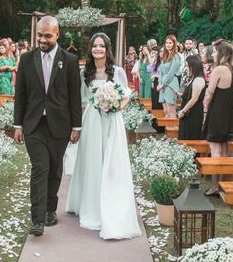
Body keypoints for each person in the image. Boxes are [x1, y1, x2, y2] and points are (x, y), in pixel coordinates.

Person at [66, 33, 141, 240]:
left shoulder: (117, 72)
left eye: (101, 46)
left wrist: (115, 106)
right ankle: (90, 206)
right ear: (90, 49)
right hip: (92, 121)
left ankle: (113, 203)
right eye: (94, 46)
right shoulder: (85, 72)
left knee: (111, 162)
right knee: (92, 162)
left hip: (112, 121)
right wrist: (77, 128)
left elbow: (127, 96)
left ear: (107, 49)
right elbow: (81, 102)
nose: (98, 49)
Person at [13, 16, 82, 236]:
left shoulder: (69, 60)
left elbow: (74, 96)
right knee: (40, 168)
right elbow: (20, 95)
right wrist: (17, 124)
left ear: (57, 34)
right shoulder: (26, 59)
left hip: (60, 124)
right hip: (33, 124)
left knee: (55, 170)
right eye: (39, 35)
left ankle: (51, 209)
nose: (42, 39)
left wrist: (76, 127)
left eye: (47, 36)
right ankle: (37, 219)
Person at [202, 41, 233, 196]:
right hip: (228, 111)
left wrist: (205, 110)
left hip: (217, 111)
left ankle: (215, 186)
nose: (212, 54)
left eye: (215, 51)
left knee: (215, 149)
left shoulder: (219, 69)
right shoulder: (232, 69)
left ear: (222, 54)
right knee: (224, 149)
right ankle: (223, 184)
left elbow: (209, 93)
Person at [178, 55, 206, 140]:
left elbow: (194, 98)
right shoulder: (193, 78)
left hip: (193, 113)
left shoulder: (198, 79)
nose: (186, 68)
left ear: (193, 67)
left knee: (190, 135)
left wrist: (183, 111)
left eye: (187, 66)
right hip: (189, 113)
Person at [158, 35, 181, 118]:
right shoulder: (165, 56)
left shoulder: (176, 57)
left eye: (170, 43)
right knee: (165, 111)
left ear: (174, 44)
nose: (168, 44)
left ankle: (174, 129)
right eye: (167, 43)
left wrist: (163, 84)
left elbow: (171, 73)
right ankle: (167, 130)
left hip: (171, 84)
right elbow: (161, 71)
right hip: (162, 85)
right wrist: (159, 82)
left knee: (171, 110)